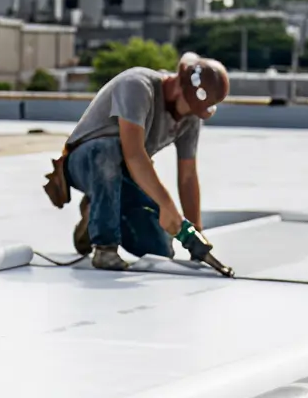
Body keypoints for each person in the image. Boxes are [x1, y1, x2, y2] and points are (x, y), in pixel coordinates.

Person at [62, 54, 229, 270]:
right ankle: (105, 247)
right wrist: (168, 206)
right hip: (85, 161)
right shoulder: (137, 86)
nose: (190, 115)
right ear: (179, 86)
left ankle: (95, 212)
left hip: (125, 173)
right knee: (108, 151)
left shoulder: (191, 117)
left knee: (159, 248)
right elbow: (134, 154)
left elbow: (187, 176)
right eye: (191, 106)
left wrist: (194, 236)